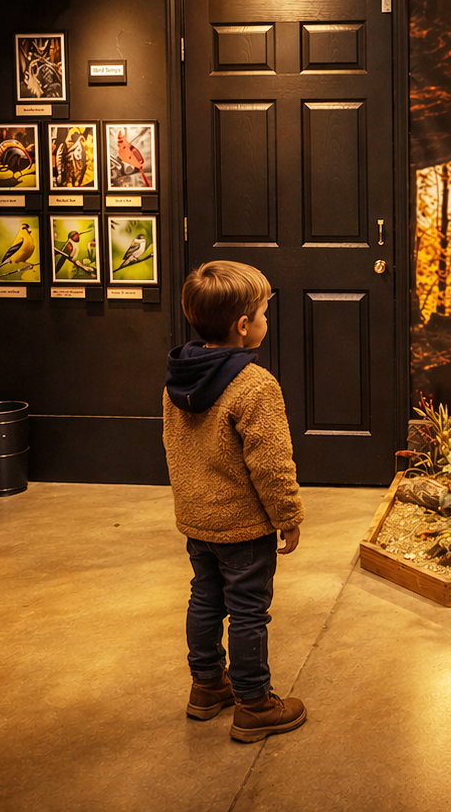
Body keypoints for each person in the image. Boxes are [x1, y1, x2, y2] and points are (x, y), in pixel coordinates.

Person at [164, 260, 307, 742]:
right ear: (243, 326)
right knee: (248, 611)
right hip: (243, 527)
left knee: (204, 599)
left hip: (198, 519)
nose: (268, 321)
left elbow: (174, 446)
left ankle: (206, 688)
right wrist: (287, 516)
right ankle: (254, 703)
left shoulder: (178, 376)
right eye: (265, 312)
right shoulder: (255, 385)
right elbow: (272, 464)